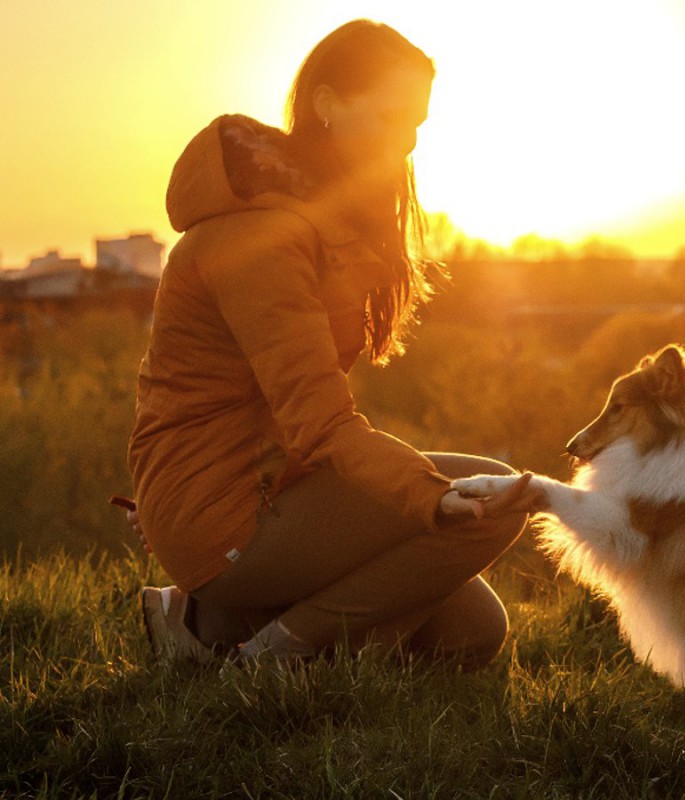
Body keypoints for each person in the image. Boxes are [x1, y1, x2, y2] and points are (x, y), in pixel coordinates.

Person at [128, 19, 542, 669]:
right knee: (490, 499)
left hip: (276, 486)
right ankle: (273, 657)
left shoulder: (322, 223)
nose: (404, 143)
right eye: (390, 118)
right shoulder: (258, 238)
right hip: (224, 513)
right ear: (325, 105)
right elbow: (320, 421)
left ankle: (205, 627)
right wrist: (428, 496)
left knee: (469, 633)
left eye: (416, 126)